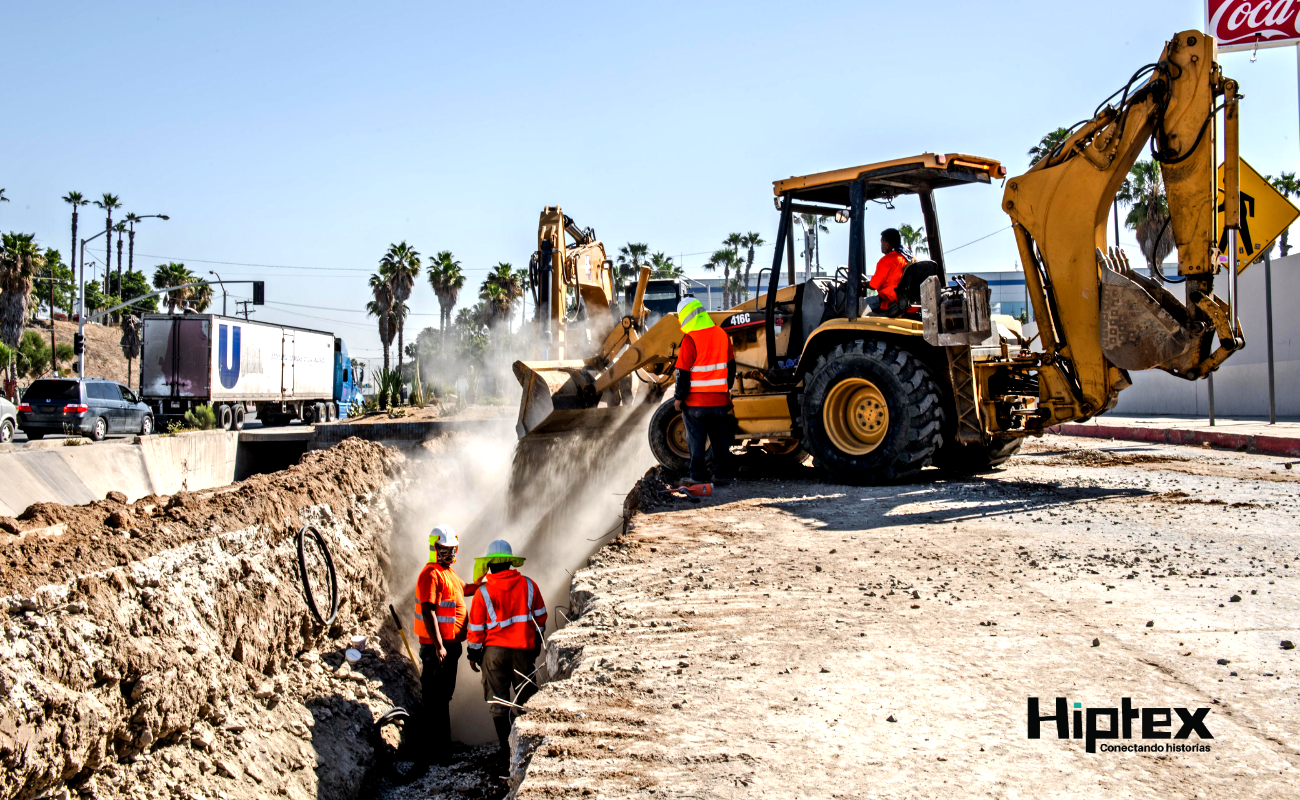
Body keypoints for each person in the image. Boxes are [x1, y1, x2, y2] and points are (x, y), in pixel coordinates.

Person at [465, 539, 547, 767]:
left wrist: (473, 654)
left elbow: (475, 629)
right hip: (523, 649)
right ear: (511, 563)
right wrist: (537, 641)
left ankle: (505, 751)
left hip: (494, 653)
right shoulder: (529, 585)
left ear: (489, 565)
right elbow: (540, 616)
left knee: (498, 700)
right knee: (525, 696)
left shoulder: (482, 592)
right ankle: (528, 746)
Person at [413, 524, 470, 764]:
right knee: (435, 698)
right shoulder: (432, 574)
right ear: (434, 548)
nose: (449, 555)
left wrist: (485, 584)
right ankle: (436, 751)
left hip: (449, 646)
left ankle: (443, 746)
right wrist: (438, 646)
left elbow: (464, 589)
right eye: (444, 550)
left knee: (443, 697)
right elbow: (429, 611)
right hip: (438, 648)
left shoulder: (448, 573)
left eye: (452, 549)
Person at [673, 295, 737, 488]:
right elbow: (731, 367)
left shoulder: (690, 339)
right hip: (720, 401)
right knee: (719, 441)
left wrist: (678, 398)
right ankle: (721, 475)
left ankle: (697, 477)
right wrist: (726, 389)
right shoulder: (721, 334)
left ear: (686, 317)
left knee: (696, 441)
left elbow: (682, 373)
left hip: (695, 404)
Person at [866, 228, 910, 314]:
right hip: (905, 302)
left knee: (857, 304)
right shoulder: (907, 258)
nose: (881, 246)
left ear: (887, 245)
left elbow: (874, 285)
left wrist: (864, 284)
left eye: (881, 243)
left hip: (889, 303)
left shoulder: (886, 261)